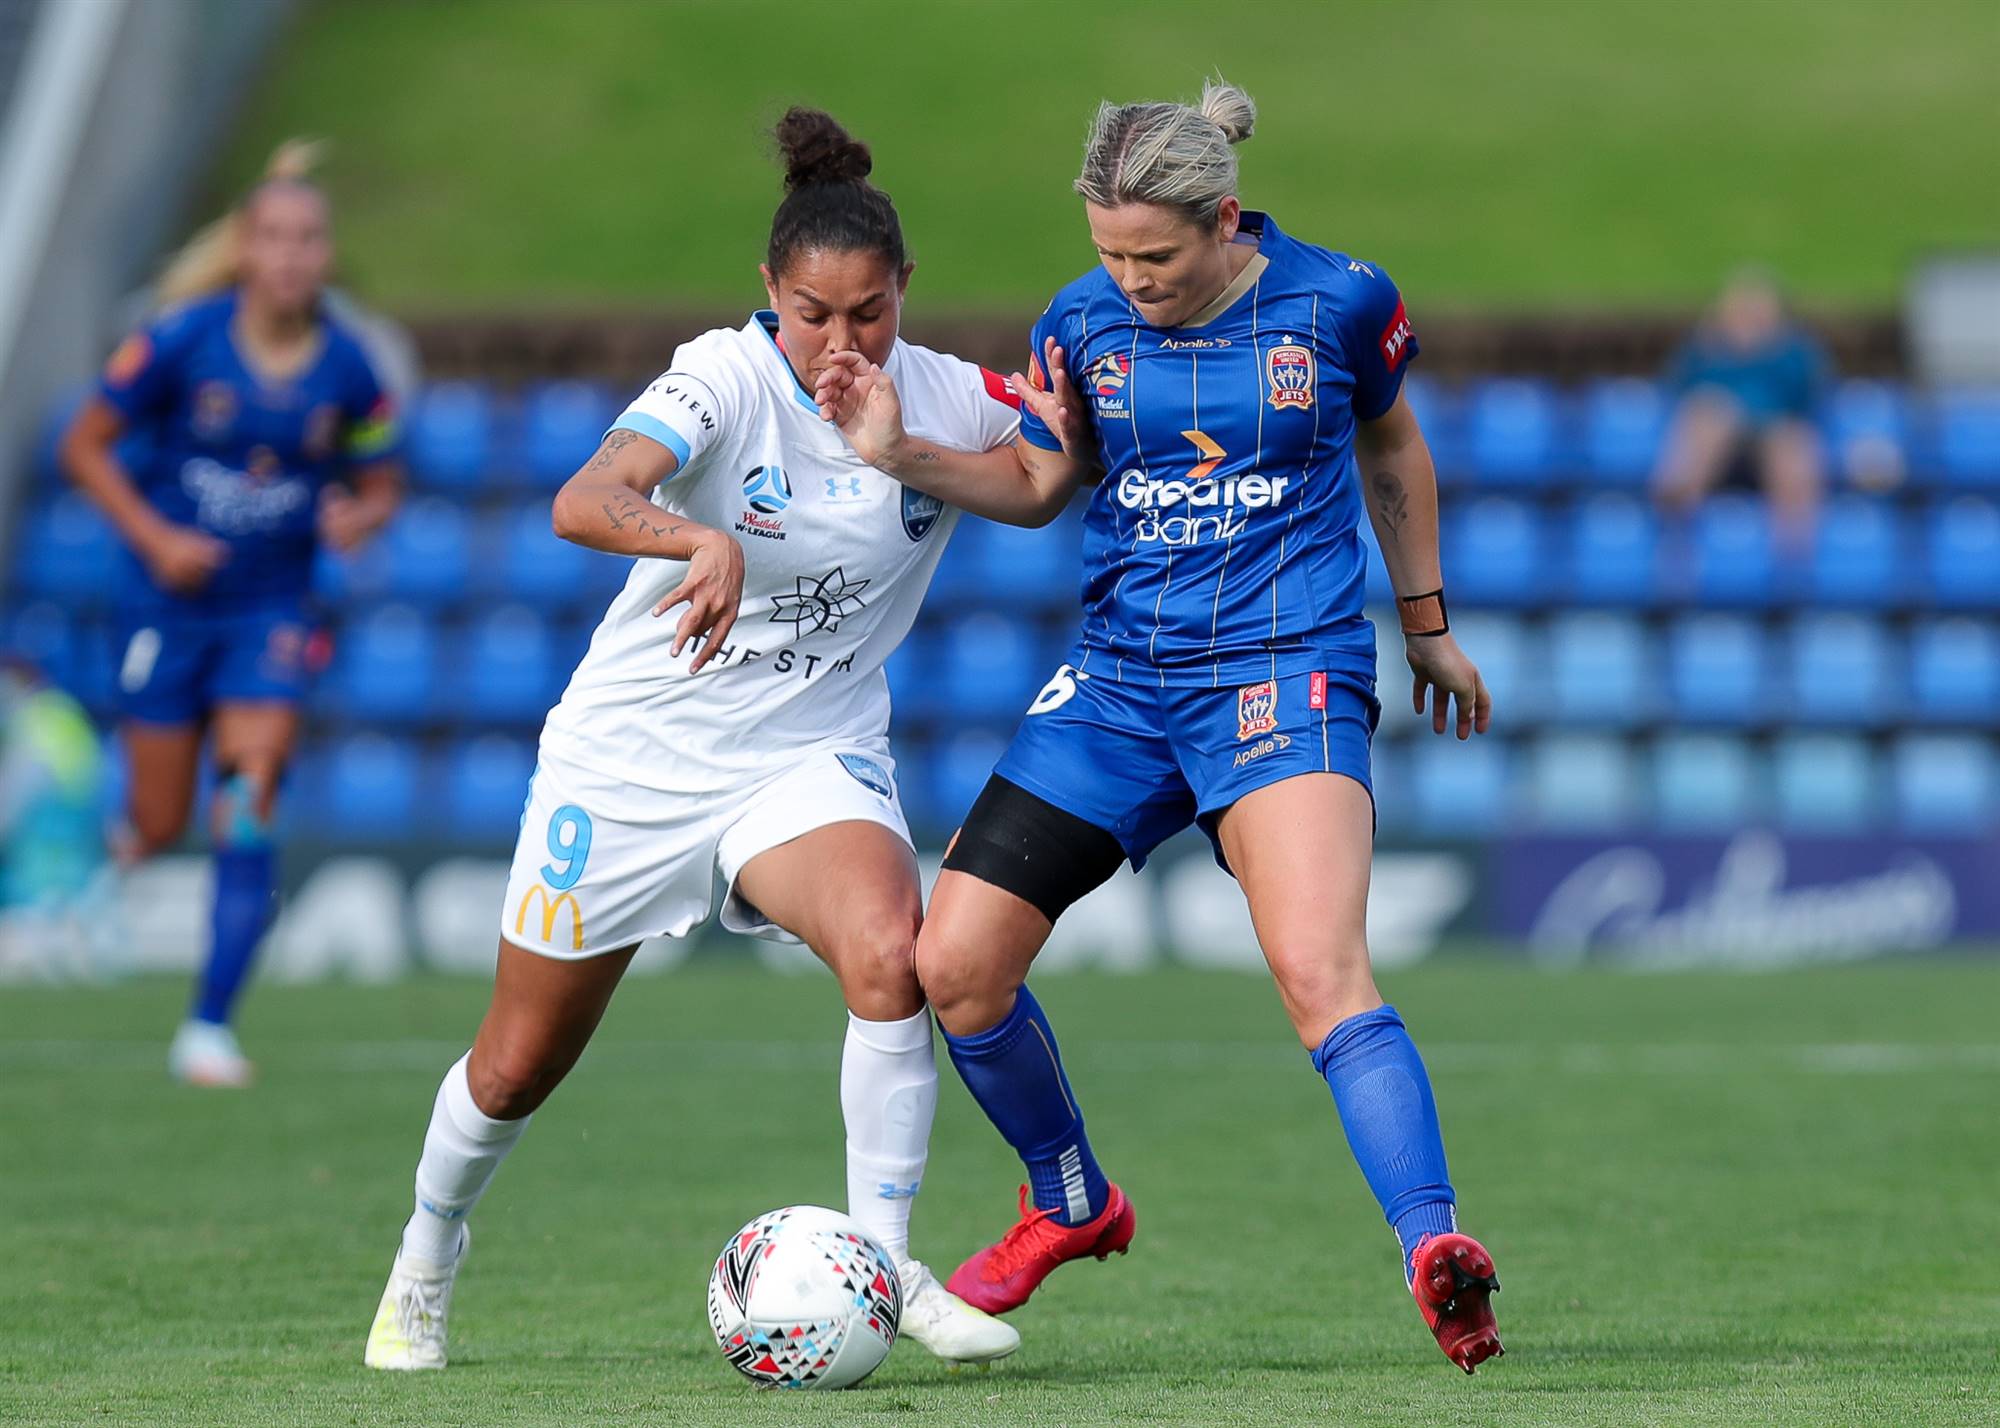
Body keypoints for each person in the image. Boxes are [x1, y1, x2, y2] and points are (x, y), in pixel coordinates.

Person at [815, 81, 1504, 1373]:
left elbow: (1394, 449)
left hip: (1283, 670)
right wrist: (895, 450)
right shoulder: (1081, 325)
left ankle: (1433, 1248)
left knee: (1321, 975)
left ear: (1225, 219)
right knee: (952, 962)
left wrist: (1424, 623)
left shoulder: (1340, 300)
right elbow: (1036, 481)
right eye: (1109, 252)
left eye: (1158, 256)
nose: (1131, 279)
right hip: (1122, 687)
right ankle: (1068, 1197)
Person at [362, 109, 1023, 1374]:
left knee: (895, 958)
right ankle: (425, 1252)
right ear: (769, 294)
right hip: (632, 763)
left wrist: (958, 438)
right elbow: (585, 497)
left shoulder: (944, 395)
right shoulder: (720, 375)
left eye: (868, 313)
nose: (839, 343)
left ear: (904, 292)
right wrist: (695, 537)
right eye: (811, 314)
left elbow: (1055, 473)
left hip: (805, 755)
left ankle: (879, 1272)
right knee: (512, 1069)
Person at [58, 141, 404, 1086]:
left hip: (273, 610)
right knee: (161, 817)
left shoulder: (349, 370)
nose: (292, 255)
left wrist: (356, 513)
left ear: (325, 255)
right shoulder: (180, 341)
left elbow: (381, 479)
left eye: (309, 239)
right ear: (246, 251)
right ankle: (115, 864)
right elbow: (84, 445)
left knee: (248, 802)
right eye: (275, 238)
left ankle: (208, 1027)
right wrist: (155, 538)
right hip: (167, 607)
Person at [1653, 267, 1831, 547]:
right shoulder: (1704, 351)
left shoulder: (1793, 354)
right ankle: (1675, 538)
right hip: (1715, 442)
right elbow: (1680, 390)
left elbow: (1806, 398)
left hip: (1771, 440)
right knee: (1707, 420)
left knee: (1791, 445)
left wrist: (1749, 412)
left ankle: (1795, 558)